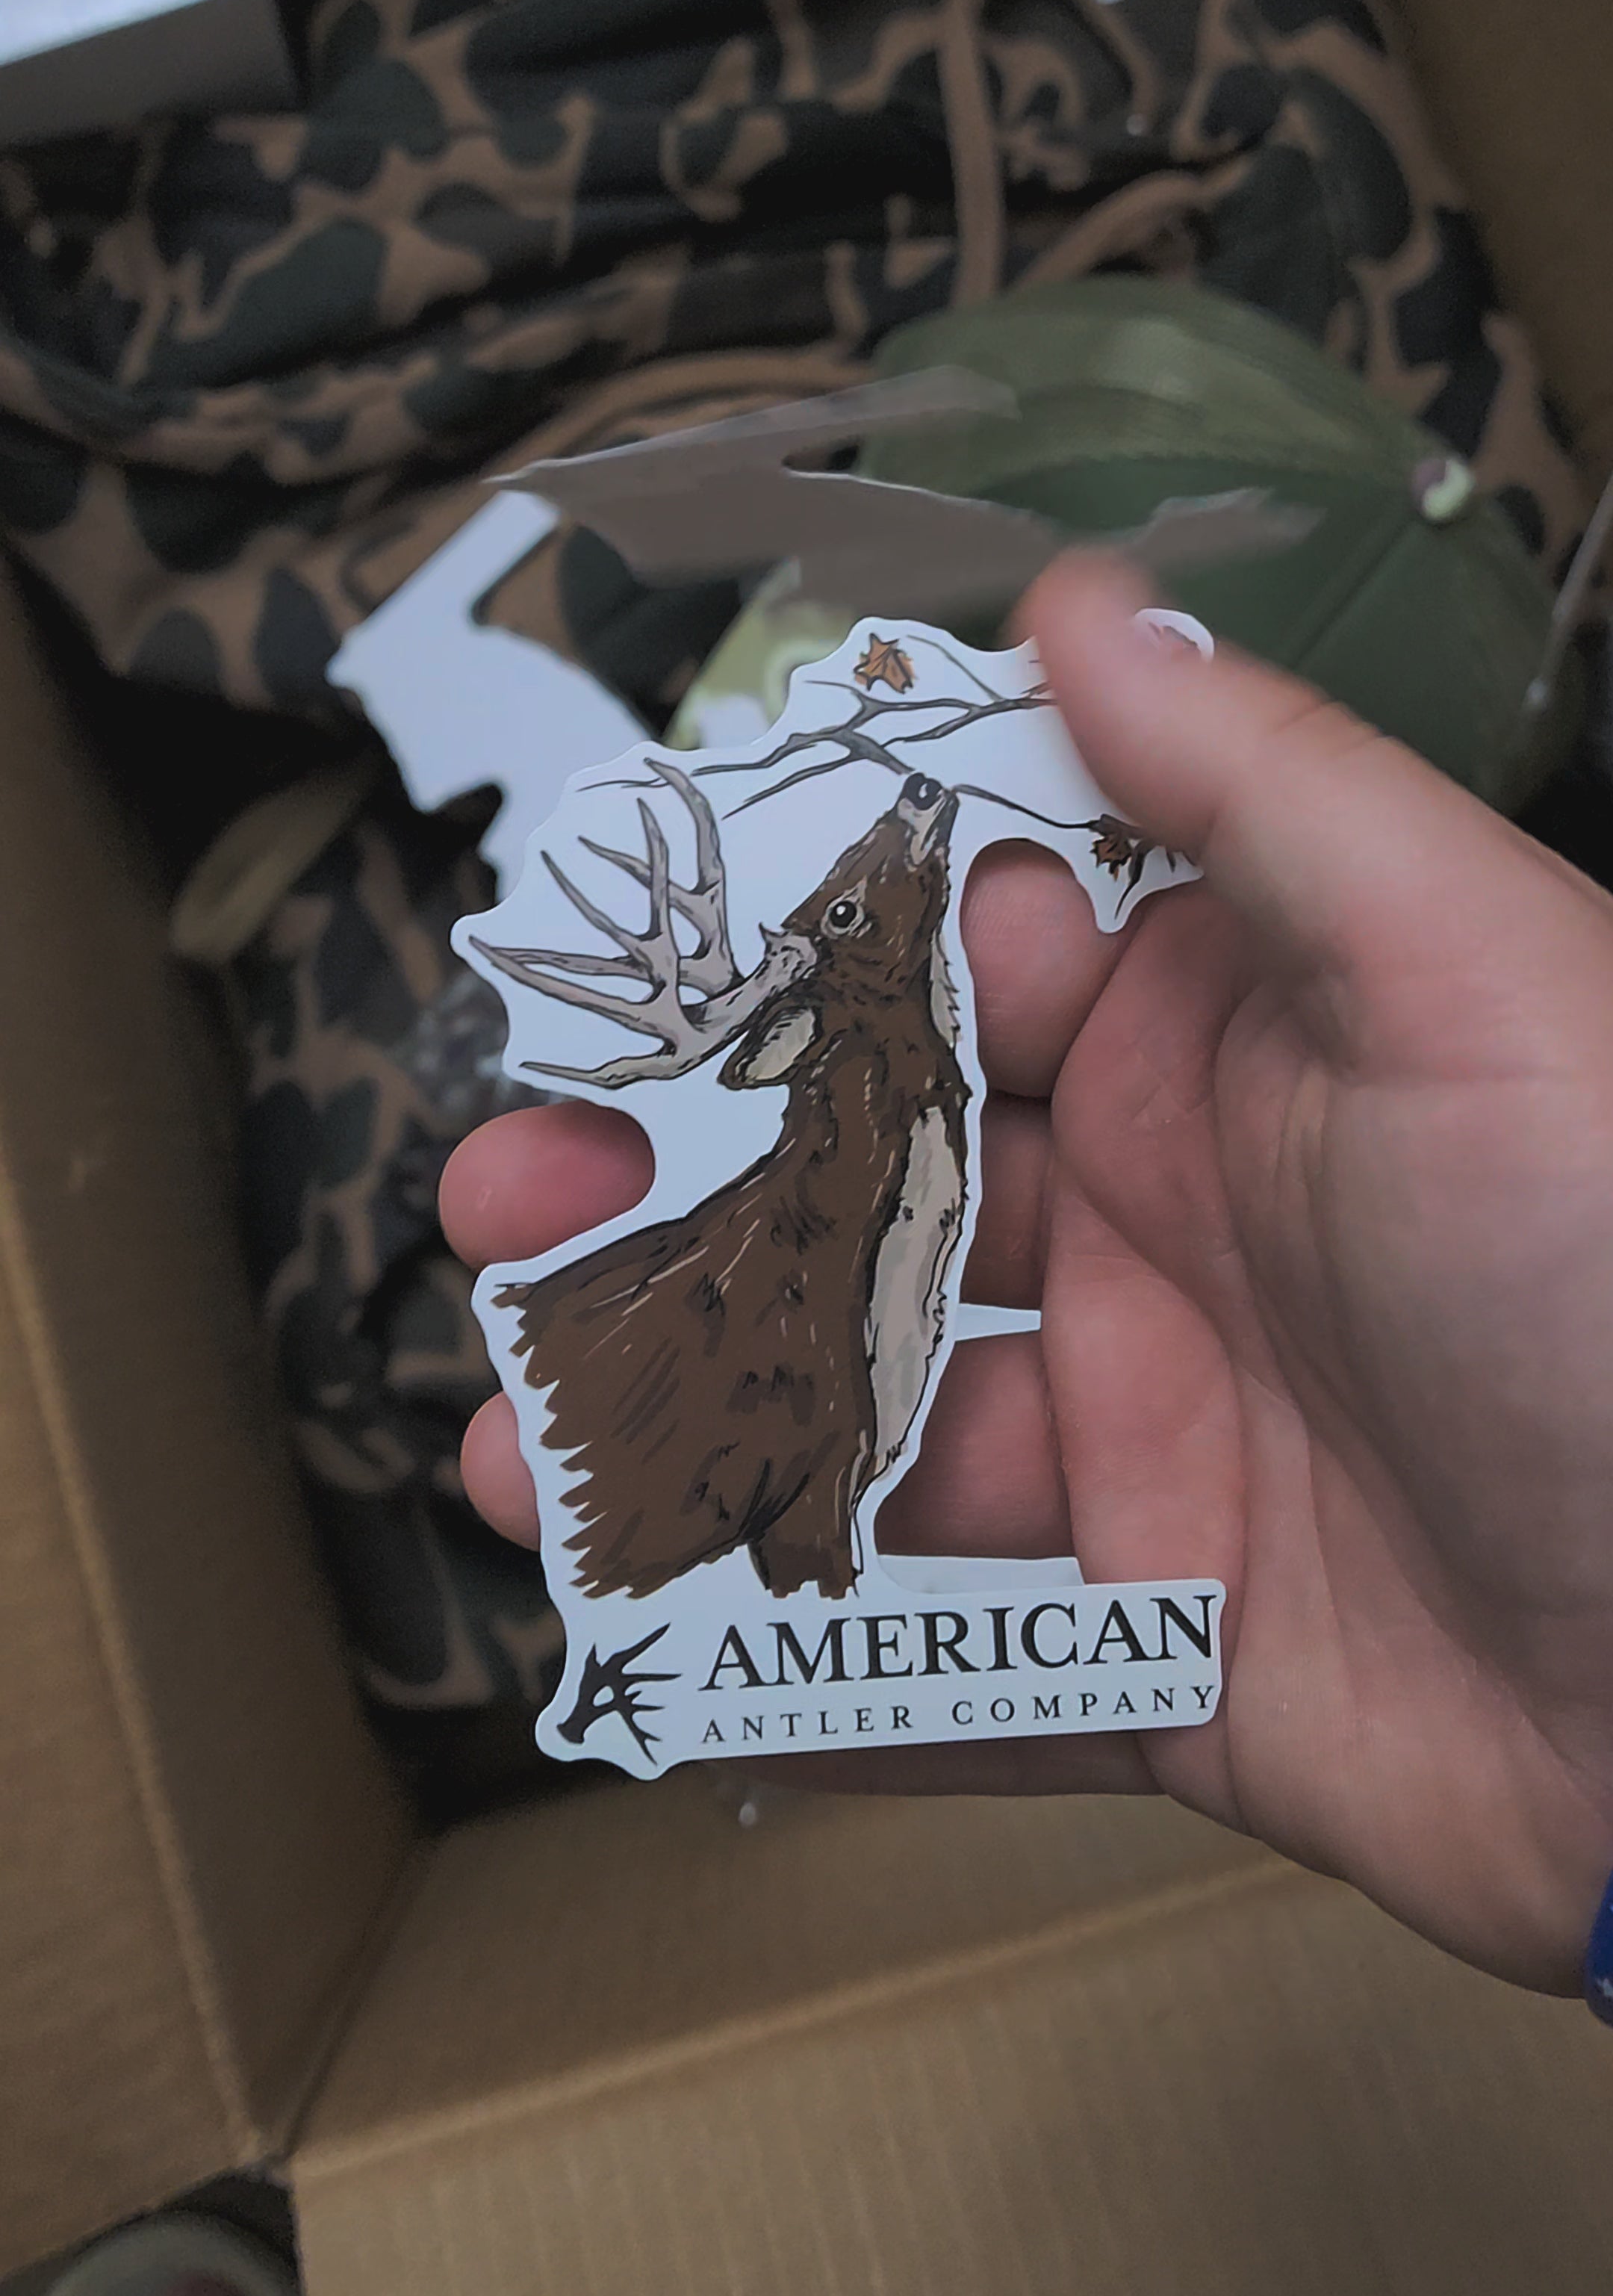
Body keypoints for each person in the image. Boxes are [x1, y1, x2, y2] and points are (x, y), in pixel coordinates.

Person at [438, 553, 1613, 1999]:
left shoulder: (939, 1044)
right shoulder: (844, 1066)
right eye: (854, 913)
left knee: (856, 1425)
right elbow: (778, 1060)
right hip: (815, 1313)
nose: (901, 838)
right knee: (814, 1429)